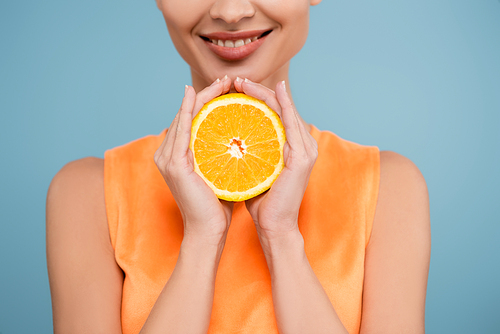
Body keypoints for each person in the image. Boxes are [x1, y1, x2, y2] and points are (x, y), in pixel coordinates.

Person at [46, 0, 431, 333]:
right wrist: (201, 241)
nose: (231, 12)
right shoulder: (86, 194)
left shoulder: (389, 188)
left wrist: (281, 239)